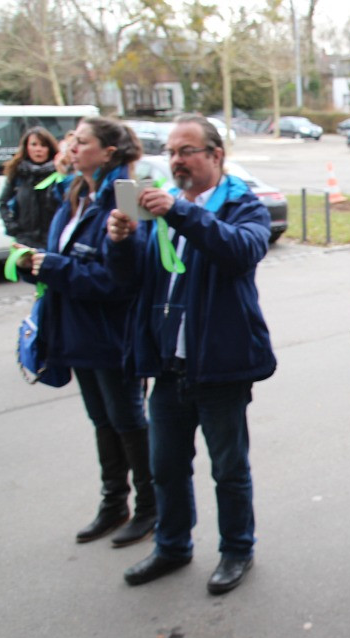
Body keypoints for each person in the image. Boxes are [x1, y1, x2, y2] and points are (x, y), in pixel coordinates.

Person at [106, 115, 276, 595]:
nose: (176, 161)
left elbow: (241, 252)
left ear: (216, 156)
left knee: (228, 469)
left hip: (221, 365)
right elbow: (131, 281)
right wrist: (120, 242)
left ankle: (237, 550)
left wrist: (179, 214)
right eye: (171, 153)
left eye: (187, 151)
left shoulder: (242, 205)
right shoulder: (164, 206)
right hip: (169, 366)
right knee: (166, 467)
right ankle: (173, 546)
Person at [14, 117, 155, 547]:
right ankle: (114, 504)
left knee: (127, 418)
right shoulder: (74, 193)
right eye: (72, 141)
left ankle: (151, 507)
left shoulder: (126, 197)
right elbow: (62, 256)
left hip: (112, 334)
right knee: (101, 420)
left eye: (82, 142)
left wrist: (54, 267)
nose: (71, 148)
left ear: (108, 152)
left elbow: (122, 281)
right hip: (76, 331)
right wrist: (35, 264)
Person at [0, 127, 62, 249]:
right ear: (26, 147)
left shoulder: (59, 174)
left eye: (43, 145)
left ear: (49, 148)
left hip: (52, 239)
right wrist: (12, 227)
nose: (38, 149)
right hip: (25, 239)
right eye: (34, 144)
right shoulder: (18, 173)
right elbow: (3, 203)